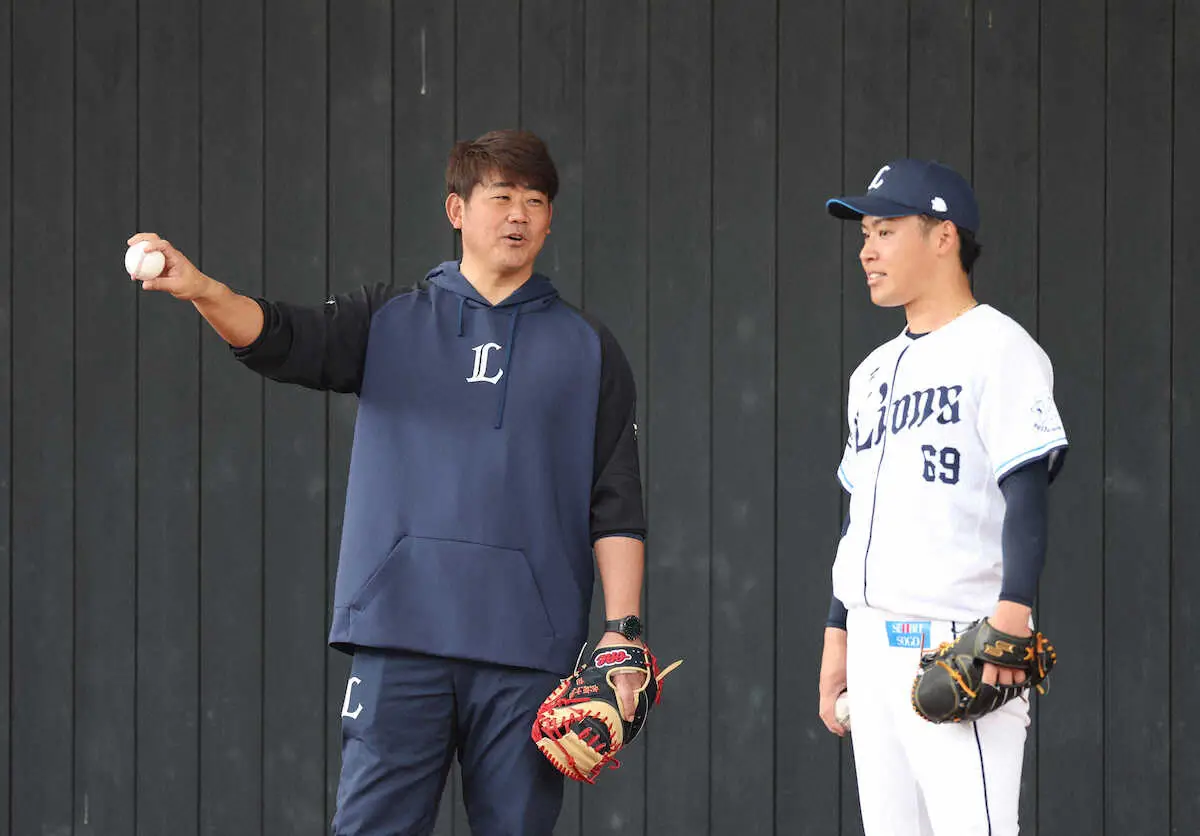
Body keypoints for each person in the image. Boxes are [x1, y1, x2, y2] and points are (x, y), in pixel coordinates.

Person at [128, 129, 649, 836]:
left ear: (551, 219)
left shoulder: (589, 348)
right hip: (402, 635)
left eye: (535, 201)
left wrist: (622, 634)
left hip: (528, 649)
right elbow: (281, 338)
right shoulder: (390, 320)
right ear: (456, 209)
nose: (518, 215)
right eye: (501, 197)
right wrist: (202, 290)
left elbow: (616, 501)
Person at [816, 159, 1068, 835]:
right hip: (871, 642)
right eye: (865, 234)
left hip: (957, 641)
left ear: (943, 236)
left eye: (886, 230)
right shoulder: (870, 373)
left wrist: (1012, 615)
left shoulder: (1000, 348)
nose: (867, 250)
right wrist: (839, 634)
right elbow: (858, 518)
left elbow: (1027, 490)